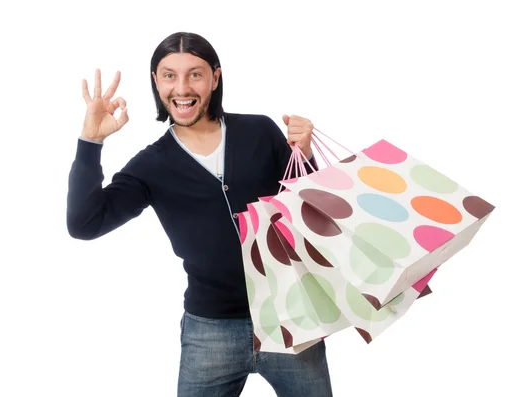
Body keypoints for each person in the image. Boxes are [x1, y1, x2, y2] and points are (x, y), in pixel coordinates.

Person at [66, 31, 333, 397]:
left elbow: (316, 213)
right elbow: (83, 223)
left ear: (215, 78)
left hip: (290, 318)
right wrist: (90, 141)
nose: (182, 87)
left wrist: (304, 153)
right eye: (169, 75)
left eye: (195, 74)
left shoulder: (259, 131)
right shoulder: (151, 166)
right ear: (156, 82)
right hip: (210, 331)